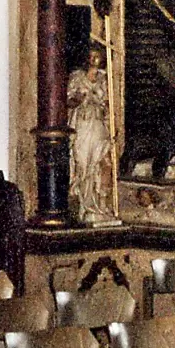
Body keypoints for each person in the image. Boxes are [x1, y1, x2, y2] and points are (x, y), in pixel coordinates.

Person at [68, 44, 117, 224]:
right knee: (82, 162)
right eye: (90, 56)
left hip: (97, 124)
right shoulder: (77, 77)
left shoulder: (105, 78)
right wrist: (79, 98)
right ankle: (83, 204)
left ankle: (98, 204)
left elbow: (108, 102)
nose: (93, 60)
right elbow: (68, 102)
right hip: (82, 123)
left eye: (96, 56)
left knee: (99, 161)